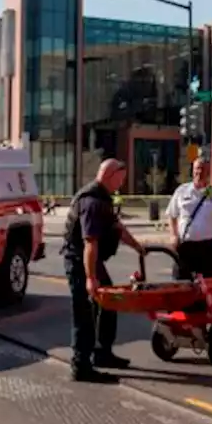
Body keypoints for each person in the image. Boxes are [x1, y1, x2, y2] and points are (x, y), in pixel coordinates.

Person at [62, 158, 145, 383]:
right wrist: (91, 278)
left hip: (91, 261)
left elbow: (117, 227)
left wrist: (138, 247)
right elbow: (90, 242)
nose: (122, 183)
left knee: (109, 303)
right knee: (85, 312)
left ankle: (102, 352)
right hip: (81, 262)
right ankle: (81, 365)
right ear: (112, 175)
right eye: (122, 178)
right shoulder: (92, 202)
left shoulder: (102, 198)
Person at [164, 157, 212, 280]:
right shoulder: (182, 191)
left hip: (207, 248)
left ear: (208, 172)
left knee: (206, 286)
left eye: (203, 169)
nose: (199, 172)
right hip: (185, 247)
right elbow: (171, 215)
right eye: (197, 169)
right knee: (180, 284)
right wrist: (173, 235)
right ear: (193, 171)